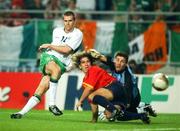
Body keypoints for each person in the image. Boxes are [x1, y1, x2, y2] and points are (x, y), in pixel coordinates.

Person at [10, 11, 83, 119]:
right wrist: (50, 47)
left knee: (42, 88)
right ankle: (52, 104)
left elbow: (67, 50)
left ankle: (21, 113)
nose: (67, 23)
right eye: (65, 21)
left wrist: (50, 45)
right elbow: (58, 49)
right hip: (49, 57)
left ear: (74, 21)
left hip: (61, 64)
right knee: (55, 70)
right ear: (63, 21)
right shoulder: (57, 31)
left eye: (70, 21)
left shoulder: (78, 34)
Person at [73, 51, 150, 124]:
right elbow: (93, 103)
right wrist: (94, 120)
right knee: (111, 115)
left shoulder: (93, 69)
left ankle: (114, 110)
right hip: (117, 96)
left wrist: (80, 101)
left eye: (88, 61)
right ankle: (142, 116)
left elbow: (89, 89)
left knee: (91, 96)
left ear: (91, 63)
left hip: (115, 87)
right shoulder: (85, 82)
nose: (86, 64)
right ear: (79, 66)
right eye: (83, 62)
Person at [88, 49, 157, 117]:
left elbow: (128, 90)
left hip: (132, 99)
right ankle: (143, 107)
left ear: (126, 64)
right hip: (120, 94)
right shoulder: (115, 64)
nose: (119, 63)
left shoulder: (127, 76)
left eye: (122, 61)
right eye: (117, 60)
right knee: (112, 112)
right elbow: (107, 60)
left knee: (118, 114)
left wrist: (126, 104)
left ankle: (142, 110)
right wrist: (98, 56)